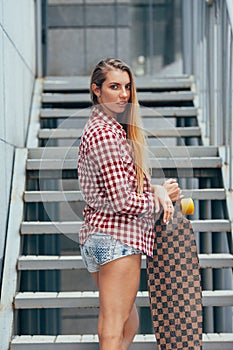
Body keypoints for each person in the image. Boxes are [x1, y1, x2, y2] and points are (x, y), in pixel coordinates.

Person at [78, 58, 181, 350]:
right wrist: (158, 202)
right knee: (112, 327)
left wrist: (156, 188)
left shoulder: (107, 128)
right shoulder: (106, 134)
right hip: (117, 239)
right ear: (96, 90)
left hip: (102, 237)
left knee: (129, 321)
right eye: (114, 86)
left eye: (127, 86)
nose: (124, 94)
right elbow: (122, 200)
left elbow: (118, 186)